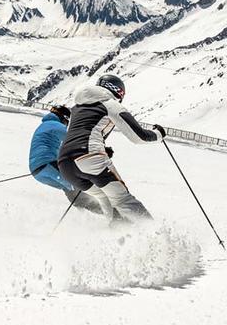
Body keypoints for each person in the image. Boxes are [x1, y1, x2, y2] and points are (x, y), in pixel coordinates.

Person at [57, 74, 166, 222]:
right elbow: (139, 137)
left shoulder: (76, 107)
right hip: (89, 157)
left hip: (65, 164)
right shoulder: (110, 104)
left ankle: (117, 235)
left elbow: (81, 133)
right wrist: (158, 134)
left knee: (105, 198)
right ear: (119, 92)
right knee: (122, 200)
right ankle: (156, 234)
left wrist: (101, 148)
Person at [28, 106, 106, 215]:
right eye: (67, 121)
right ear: (64, 118)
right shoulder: (55, 125)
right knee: (82, 185)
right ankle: (113, 213)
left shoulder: (45, 125)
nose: (67, 124)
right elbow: (75, 140)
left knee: (71, 189)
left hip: (38, 171)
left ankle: (96, 210)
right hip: (48, 165)